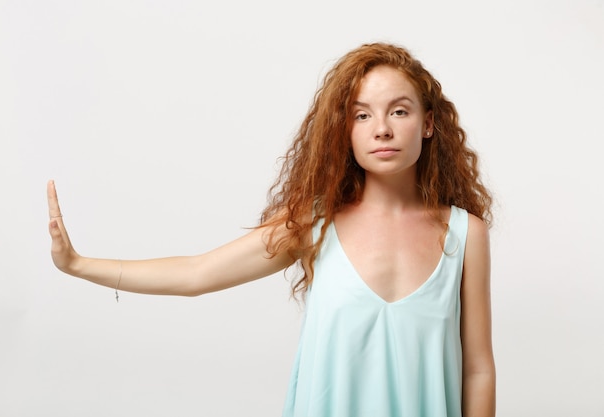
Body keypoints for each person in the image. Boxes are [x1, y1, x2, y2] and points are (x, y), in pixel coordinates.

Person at [48, 42, 495, 417]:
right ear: (345, 131)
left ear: (429, 123)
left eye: (399, 111)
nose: (381, 129)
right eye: (361, 116)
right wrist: (79, 264)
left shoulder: (465, 234)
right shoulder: (313, 226)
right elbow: (196, 273)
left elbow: (477, 369)